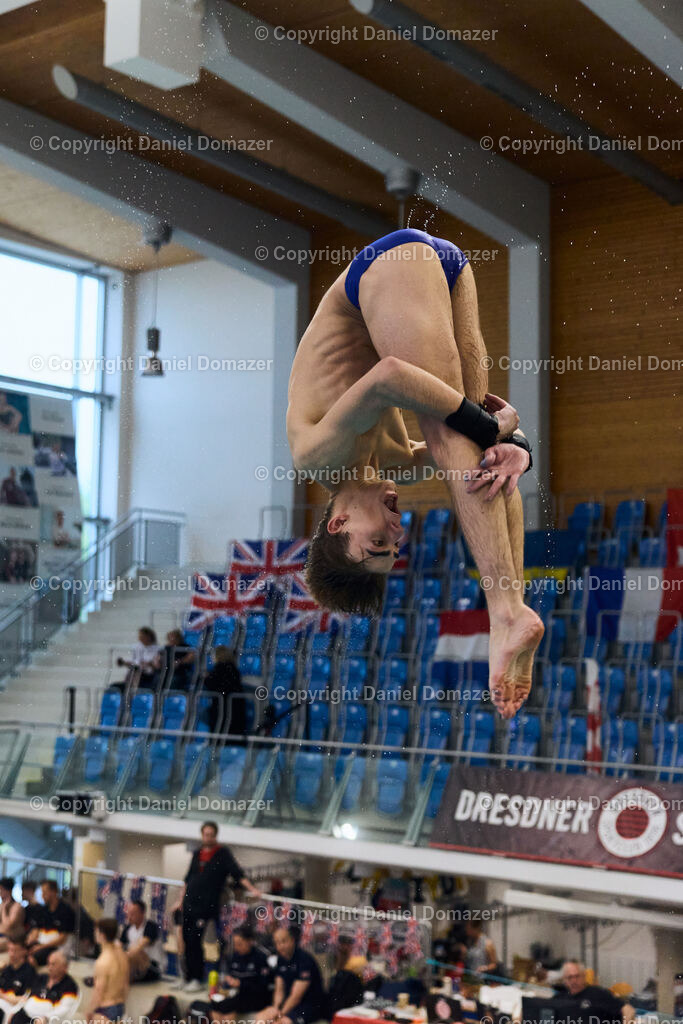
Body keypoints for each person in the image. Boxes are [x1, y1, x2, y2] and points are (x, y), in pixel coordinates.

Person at [287, 228, 543, 718]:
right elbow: (482, 435)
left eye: (377, 544)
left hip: (384, 270)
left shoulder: (317, 457)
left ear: (338, 524)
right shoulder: (395, 464)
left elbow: (390, 378)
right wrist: (514, 444)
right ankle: (512, 608)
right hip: (444, 270)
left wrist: (487, 428)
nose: (396, 533)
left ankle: (505, 615)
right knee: (478, 455)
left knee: (454, 436)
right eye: (395, 548)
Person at [172, 822, 261, 992]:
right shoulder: (197, 853)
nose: (208, 837)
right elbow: (187, 879)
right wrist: (180, 901)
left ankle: (197, 978)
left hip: (206, 906)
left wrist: (253, 889)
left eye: (211, 834)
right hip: (190, 903)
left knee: (196, 941)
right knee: (186, 940)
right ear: (202, 835)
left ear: (215, 835)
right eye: (205, 834)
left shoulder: (223, 854)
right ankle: (187, 976)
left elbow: (238, 874)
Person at [188, 924, 272, 1024]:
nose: (236, 947)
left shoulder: (260, 958)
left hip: (255, 997)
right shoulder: (234, 957)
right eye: (235, 944)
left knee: (228, 1005)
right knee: (214, 1003)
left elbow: (263, 986)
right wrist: (223, 985)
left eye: (240, 944)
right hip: (237, 994)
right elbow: (230, 979)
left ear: (250, 941)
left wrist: (241, 984)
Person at [255, 926, 325, 1024]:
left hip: (310, 1006)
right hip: (289, 1004)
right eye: (277, 943)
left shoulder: (304, 960)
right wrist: (276, 1008)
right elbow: (279, 989)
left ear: (292, 940)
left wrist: (280, 1014)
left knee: (282, 1022)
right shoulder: (281, 959)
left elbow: (296, 997)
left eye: (284, 941)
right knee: (261, 1017)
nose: (280, 946)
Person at [10, 950, 79, 1024]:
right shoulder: (41, 978)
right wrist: (15, 1010)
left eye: (53, 964)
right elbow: (27, 996)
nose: (49, 967)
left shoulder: (69, 985)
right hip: (24, 1015)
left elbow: (65, 1009)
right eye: (48, 963)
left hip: (44, 1020)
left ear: (64, 967)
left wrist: (47, 1017)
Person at [558, 960, 635, 1024]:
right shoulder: (560, 999)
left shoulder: (598, 993)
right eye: (570, 977)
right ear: (564, 980)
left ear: (583, 976)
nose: (574, 981)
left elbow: (628, 1009)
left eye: (577, 976)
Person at [87, 918, 129, 1024]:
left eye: (96, 931)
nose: (94, 934)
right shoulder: (122, 955)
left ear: (102, 935)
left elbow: (98, 992)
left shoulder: (102, 962)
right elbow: (126, 985)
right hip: (120, 1007)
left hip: (105, 1009)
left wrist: (89, 1011)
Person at [26, 879, 75, 967]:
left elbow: (62, 939)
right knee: (20, 951)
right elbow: (37, 929)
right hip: (41, 942)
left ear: (53, 892)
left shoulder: (66, 911)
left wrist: (41, 947)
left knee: (32, 958)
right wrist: (30, 940)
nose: (42, 895)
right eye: (42, 892)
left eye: (45, 892)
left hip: (55, 946)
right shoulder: (44, 910)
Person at [203, 646, 246, 737]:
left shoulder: (219, 668)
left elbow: (211, 684)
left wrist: (206, 677)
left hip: (222, 707)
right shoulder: (233, 668)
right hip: (234, 707)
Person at [120, 899, 164, 983]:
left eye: (132, 914)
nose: (129, 916)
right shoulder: (128, 928)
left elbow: (139, 948)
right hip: (135, 966)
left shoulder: (151, 926)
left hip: (152, 967)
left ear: (142, 913)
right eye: (128, 913)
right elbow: (118, 946)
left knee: (134, 953)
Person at [0, 937, 37, 1022]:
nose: (11, 954)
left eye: (15, 951)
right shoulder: (6, 970)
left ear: (24, 951)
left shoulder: (29, 971)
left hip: (13, 1009)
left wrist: (3, 996)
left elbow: (24, 999)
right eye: (9, 950)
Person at [0, 878, 25, 951]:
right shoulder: (1, 905)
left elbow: (8, 925)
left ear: (8, 890)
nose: (0, 892)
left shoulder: (17, 906)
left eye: (1, 889)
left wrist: (4, 909)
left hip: (10, 938)